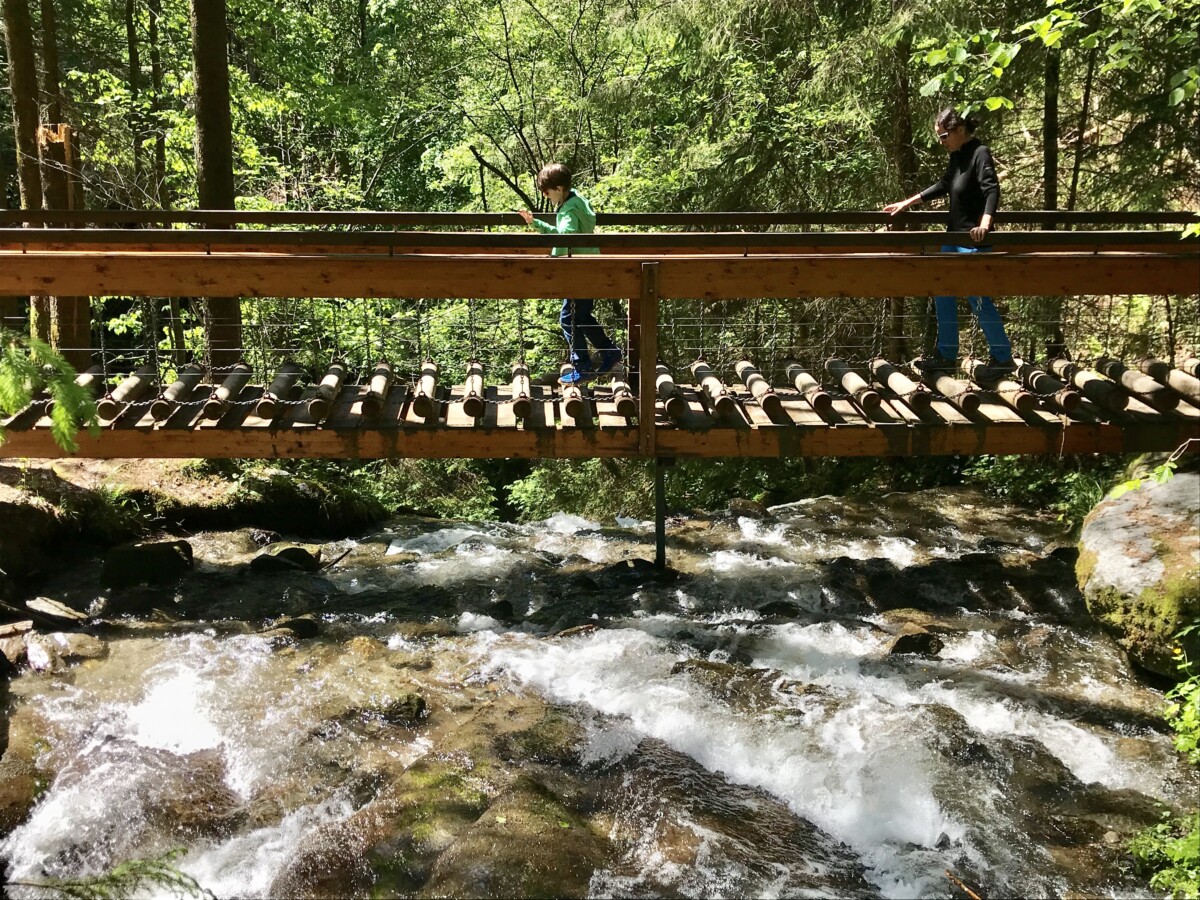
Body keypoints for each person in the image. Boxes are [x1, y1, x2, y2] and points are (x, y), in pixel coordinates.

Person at [883, 107, 1015, 381]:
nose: (941, 142)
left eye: (944, 136)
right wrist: (908, 202)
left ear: (960, 131)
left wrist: (985, 225)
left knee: (978, 299)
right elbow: (944, 184)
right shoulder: (957, 156)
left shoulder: (980, 153)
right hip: (952, 240)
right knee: (943, 293)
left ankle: (1002, 358)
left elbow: (991, 189)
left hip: (973, 241)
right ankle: (946, 355)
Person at [518, 164, 621, 385]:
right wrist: (536, 224)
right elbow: (568, 234)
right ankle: (609, 352)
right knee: (581, 316)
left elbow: (567, 237)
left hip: (578, 270)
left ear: (559, 188)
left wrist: (554, 264)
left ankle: (583, 365)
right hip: (588, 267)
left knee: (568, 318)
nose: (546, 196)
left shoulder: (568, 209)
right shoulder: (577, 201)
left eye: (547, 191)